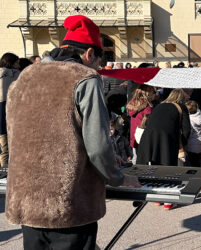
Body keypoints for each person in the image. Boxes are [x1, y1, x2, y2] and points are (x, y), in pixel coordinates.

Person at [5, 15, 140, 250]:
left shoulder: (24, 77)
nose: (98, 68)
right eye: (99, 61)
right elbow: (97, 147)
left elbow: (18, 134)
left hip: (28, 204)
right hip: (68, 205)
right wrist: (119, 177)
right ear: (89, 54)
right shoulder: (84, 79)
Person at [137, 88, 191, 210]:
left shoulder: (159, 106)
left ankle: (158, 199)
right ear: (181, 98)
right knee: (169, 169)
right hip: (167, 138)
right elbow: (187, 129)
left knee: (157, 167)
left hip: (149, 137)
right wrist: (182, 144)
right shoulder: (181, 107)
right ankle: (168, 201)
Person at [0, 52, 20, 168]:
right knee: (7, 135)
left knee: (1, 135)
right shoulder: (16, 74)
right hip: (9, 104)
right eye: (16, 62)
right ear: (11, 63)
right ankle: (5, 166)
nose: (18, 65)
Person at [127, 85, 156, 164]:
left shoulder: (133, 102)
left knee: (135, 156)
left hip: (134, 133)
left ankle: (134, 172)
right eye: (153, 92)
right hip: (143, 133)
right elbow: (149, 120)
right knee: (147, 157)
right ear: (148, 93)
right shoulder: (147, 106)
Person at [185, 100, 201, 167]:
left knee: (193, 163)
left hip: (191, 144)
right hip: (199, 143)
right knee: (197, 161)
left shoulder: (190, 119)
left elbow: (189, 132)